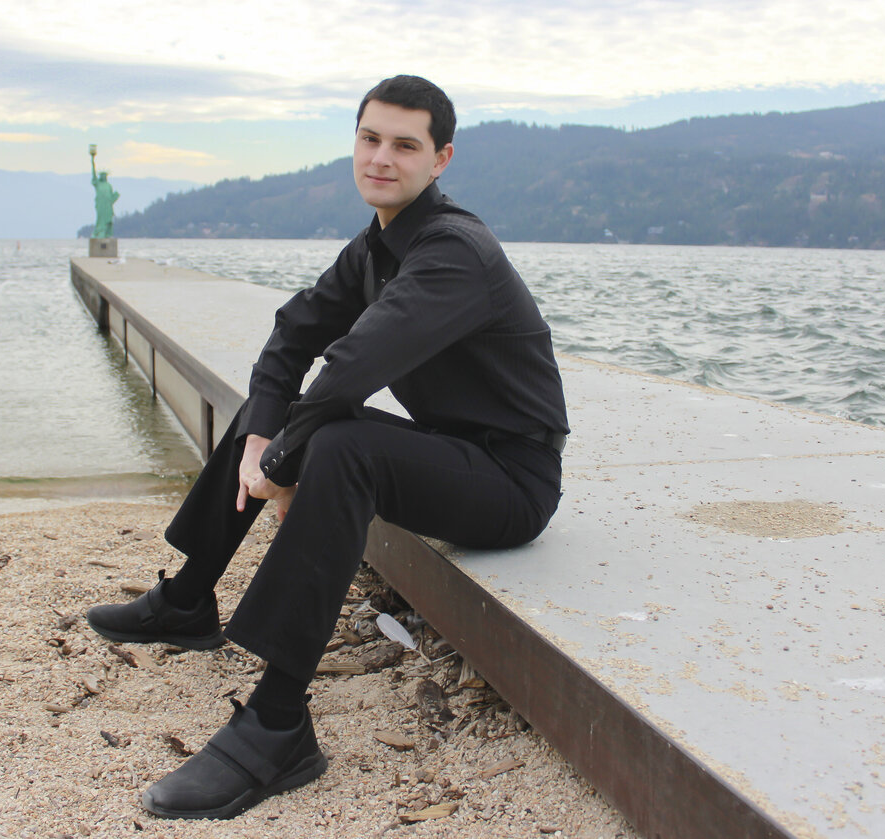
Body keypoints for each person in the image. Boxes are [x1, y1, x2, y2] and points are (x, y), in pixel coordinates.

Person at [85, 74, 569, 821]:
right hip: (448, 451)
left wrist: (279, 469)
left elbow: (352, 368)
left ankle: (278, 725)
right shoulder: (379, 243)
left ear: (440, 159)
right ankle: (187, 601)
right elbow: (293, 335)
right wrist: (260, 444)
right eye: (369, 138)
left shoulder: (454, 252)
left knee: (341, 443)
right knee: (267, 412)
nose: (381, 157)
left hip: (510, 483)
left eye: (405, 145)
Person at [90, 149, 119, 238]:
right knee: (100, 219)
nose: (104, 177)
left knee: (108, 219)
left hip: (107, 206)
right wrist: (92, 160)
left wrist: (114, 197)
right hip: (100, 205)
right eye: (102, 175)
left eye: (105, 175)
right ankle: (99, 232)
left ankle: (107, 233)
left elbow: (110, 197)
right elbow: (93, 175)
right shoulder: (98, 183)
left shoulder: (109, 185)